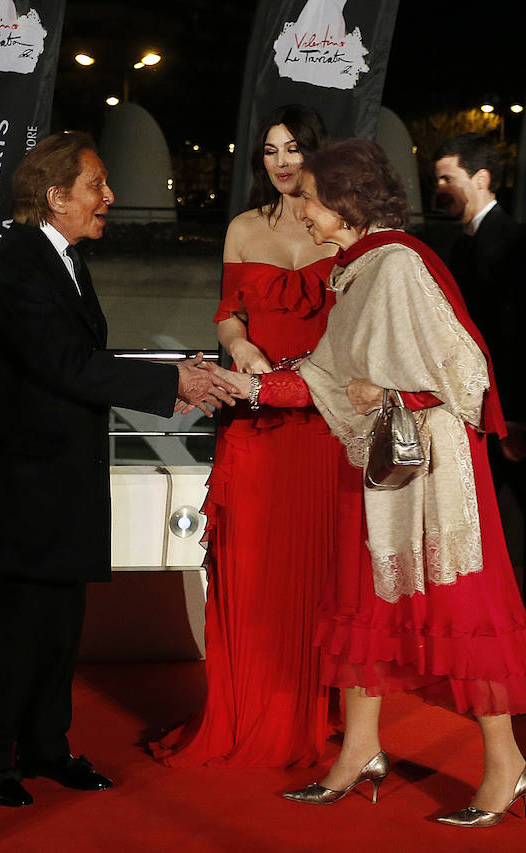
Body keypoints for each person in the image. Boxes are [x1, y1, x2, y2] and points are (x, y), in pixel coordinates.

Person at [208, 139, 526, 827]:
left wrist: (392, 393)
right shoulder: (357, 270)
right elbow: (324, 376)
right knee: (360, 607)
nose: (300, 210)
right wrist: (243, 384)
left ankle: (507, 764)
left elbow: (467, 374)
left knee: (460, 613)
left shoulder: (397, 265)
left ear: (345, 199)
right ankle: (359, 752)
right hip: (375, 473)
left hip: (429, 477)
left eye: (309, 197)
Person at [0, 131, 230, 808]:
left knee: (61, 620)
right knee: (20, 623)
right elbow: (67, 366)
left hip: (65, 477)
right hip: (25, 481)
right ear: (56, 196)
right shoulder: (16, 265)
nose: (110, 197)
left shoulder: (63, 259)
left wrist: (173, 379)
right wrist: (175, 382)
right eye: (97, 185)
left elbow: (77, 363)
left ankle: (46, 746)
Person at [150, 105, 342, 768]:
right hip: (254, 424)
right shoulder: (241, 227)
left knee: (314, 573)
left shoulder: (346, 232)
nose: (282, 162)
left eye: (294, 148)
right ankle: (239, 708)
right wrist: (242, 346)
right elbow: (228, 316)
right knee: (248, 567)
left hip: (322, 429)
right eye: (269, 151)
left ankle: (308, 712)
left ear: (319, 153)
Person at [434, 134, 526, 587]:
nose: (439, 188)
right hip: (474, 413)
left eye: (447, 178)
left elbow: (518, 338)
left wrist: (515, 417)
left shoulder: (515, 243)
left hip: (506, 416)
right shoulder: (460, 246)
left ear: (481, 179)